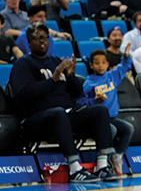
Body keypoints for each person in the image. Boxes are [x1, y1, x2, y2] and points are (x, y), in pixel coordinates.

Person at [9, 23, 120, 182]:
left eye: (44, 38)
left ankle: (102, 165)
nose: (41, 42)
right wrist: (53, 80)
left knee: (99, 111)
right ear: (28, 41)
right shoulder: (23, 64)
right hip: (37, 120)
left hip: (66, 116)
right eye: (36, 38)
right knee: (58, 112)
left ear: (49, 40)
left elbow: (76, 93)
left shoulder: (55, 61)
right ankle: (74, 169)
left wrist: (70, 76)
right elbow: (22, 96)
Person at [78, 46, 134, 176]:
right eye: (97, 63)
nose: (101, 66)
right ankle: (101, 160)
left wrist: (125, 57)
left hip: (112, 118)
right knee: (111, 130)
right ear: (91, 65)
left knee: (128, 128)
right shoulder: (88, 83)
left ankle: (116, 156)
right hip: (97, 121)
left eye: (103, 62)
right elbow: (81, 103)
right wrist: (94, 101)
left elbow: (124, 67)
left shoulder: (112, 76)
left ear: (108, 64)